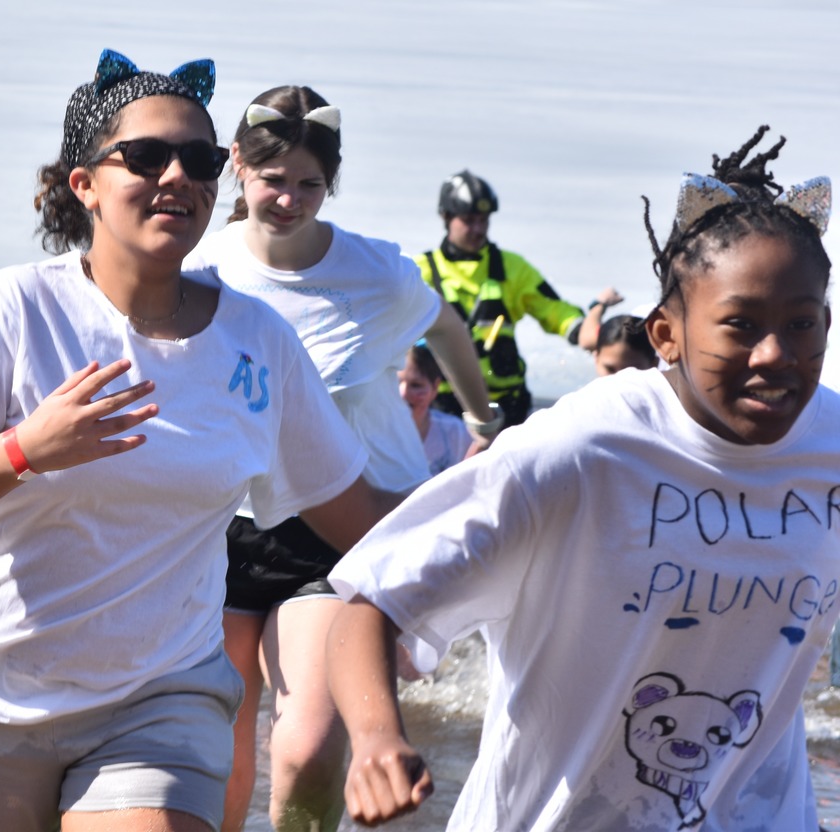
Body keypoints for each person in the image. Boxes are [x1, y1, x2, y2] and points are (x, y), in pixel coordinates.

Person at [0, 49, 398, 832]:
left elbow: (358, 516)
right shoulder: (12, 310)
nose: (178, 175)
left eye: (202, 159)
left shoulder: (259, 340)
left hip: (155, 701)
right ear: (86, 184)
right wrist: (24, 450)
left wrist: (520, 501)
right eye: (146, 156)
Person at [326, 125, 838, 830]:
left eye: (804, 324)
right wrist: (377, 738)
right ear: (666, 335)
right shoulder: (579, 450)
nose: (775, 354)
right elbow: (371, 600)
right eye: (740, 325)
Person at [183, 85, 499, 832]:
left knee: (309, 743)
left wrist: (484, 419)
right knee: (219, 744)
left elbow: (447, 329)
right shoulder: (201, 266)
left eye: (309, 185)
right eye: (272, 180)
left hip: (344, 517)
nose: (289, 199)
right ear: (236, 167)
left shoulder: (376, 275)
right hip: (225, 525)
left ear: (332, 183)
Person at [415, 170, 595, 426]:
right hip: (441, 409)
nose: (478, 229)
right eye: (469, 220)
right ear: (446, 217)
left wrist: (582, 329)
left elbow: (553, 308)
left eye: (483, 221)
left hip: (507, 409)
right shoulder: (420, 272)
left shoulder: (512, 267)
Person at [398, 343, 475, 476]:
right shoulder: (372, 433)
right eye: (397, 382)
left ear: (435, 387)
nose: (403, 393)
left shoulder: (457, 433)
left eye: (416, 385)